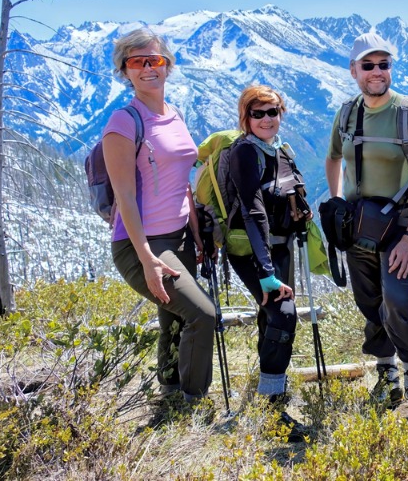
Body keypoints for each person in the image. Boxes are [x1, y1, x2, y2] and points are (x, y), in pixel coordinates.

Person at [325, 32, 408, 414]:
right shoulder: (346, 113)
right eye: (368, 65)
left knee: (397, 296)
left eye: (384, 64)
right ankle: (387, 376)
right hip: (359, 222)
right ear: (354, 70)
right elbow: (333, 159)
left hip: (400, 223)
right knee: (370, 300)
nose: (377, 72)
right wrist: (337, 200)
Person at [104, 28, 216, 408]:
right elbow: (125, 198)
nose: (148, 68)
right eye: (137, 62)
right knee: (202, 315)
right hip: (141, 244)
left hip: (180, 235)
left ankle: (169, 393)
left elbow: (179, 179)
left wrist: (196, 232)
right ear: (125, 71)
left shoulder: (175, 114)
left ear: (168, 65)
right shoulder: (123, 123)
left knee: (175, 319)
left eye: (155, 59)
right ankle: (193, 403)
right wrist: (148, 259)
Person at [226, 85, 310, 441]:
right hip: (253, 250)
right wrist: (267, 273)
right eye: (257, 113)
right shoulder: (245, 152)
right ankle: (272, 408)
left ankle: (268, 395)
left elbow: (288, 197)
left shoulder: (280, 150)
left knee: (271, 319)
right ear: (245, 117)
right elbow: (252, 210)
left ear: (281, 113)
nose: (266, 119)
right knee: (284, 314)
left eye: (272, 112)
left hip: (280, 246)